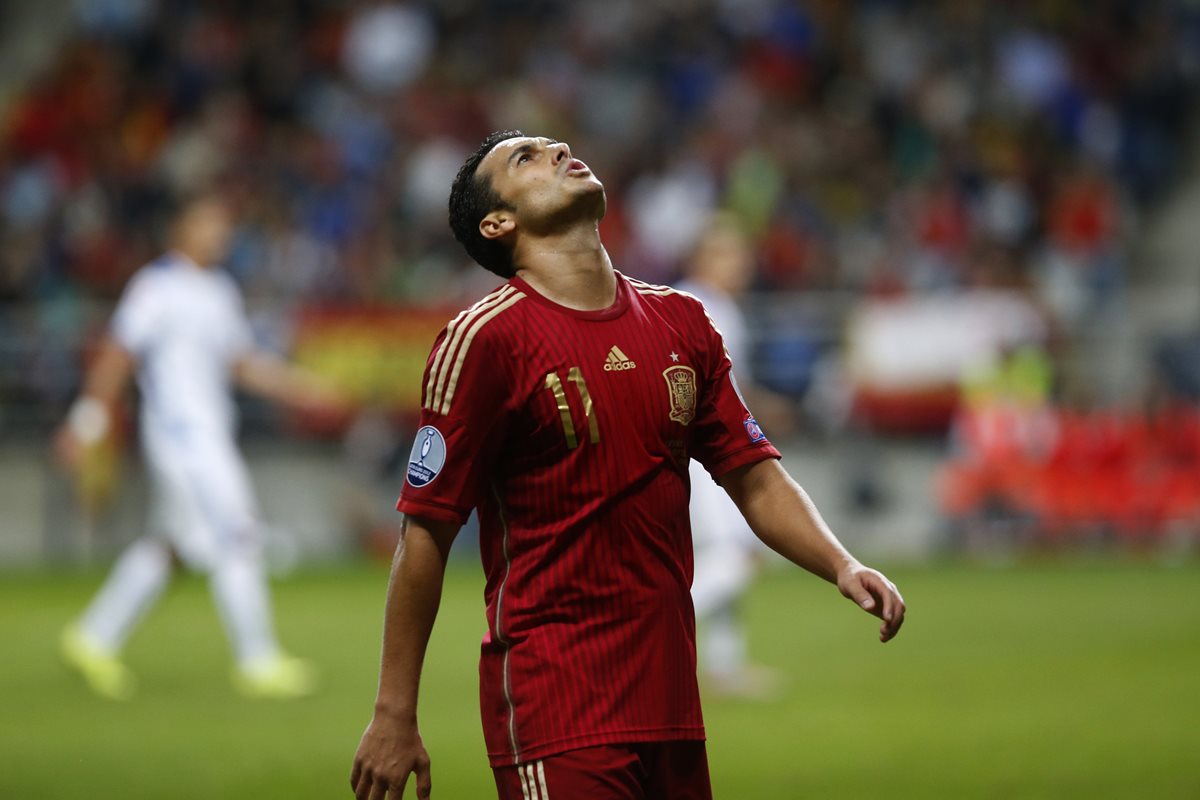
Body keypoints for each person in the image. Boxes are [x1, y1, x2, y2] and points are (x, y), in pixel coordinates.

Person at [350, 131, 906, 800]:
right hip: (557, 703)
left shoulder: (682, 322)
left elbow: (753, 474)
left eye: (554, 144)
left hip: (672, 704)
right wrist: (394, 712)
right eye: (525, 157)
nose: (556, 149)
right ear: (498, 222)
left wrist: (842, 563)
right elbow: (426, 532)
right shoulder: (485, 340)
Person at [56, 193, 343, 700]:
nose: (220, 234)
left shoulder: (218, 291)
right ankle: (258, 660)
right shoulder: (156, 287)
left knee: (169, 549)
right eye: (209, 224)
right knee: (238, 534)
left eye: (223, 225)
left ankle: (91, 637)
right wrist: (88, 420)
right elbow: (119, 353)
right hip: (182, 436)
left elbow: (241, 363)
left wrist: (301, 386)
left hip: (205, 433)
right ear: (181, 230)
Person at [676, 215, 797, 699]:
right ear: (703, 258)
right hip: (704, 453)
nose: (741, 263)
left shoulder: (697, 302)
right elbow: (719, 391)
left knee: (720, 554)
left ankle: (725, 666)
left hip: (695, 449)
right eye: (729, 253)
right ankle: (645, 631)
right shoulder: (705, 306)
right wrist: (768, 409)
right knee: (736, 555)